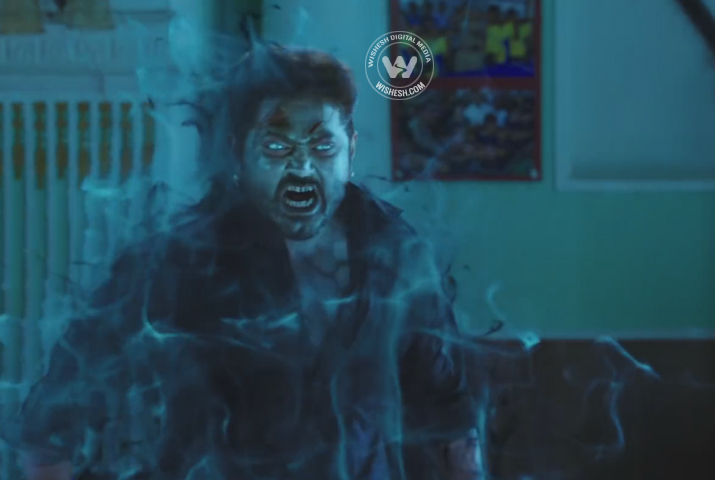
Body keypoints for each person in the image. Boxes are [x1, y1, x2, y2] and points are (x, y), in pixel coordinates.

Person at [8, 45, 484, 480]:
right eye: (276, 148)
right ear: (238, 151)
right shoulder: (180, 258)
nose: (302, 168)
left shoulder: (397, 254)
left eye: (323, 147)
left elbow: (450, 413)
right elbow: (57, 408)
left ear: (351, 148)